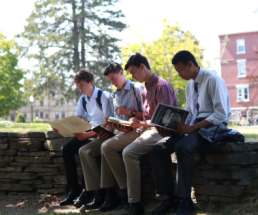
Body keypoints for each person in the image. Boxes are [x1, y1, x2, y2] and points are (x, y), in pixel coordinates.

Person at [148, 50, 231, 215]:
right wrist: (171, 125)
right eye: (177, 71)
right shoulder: (189, 86)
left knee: (182, 147)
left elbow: (221, 114)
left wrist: (193, 127)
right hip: (193, 127)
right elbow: (188, 112)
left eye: (180, 70)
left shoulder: (213, 80)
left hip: (212, 127)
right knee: (156, 149)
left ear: (190, 64)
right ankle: (170, 197)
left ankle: (185, 201)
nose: (179, 74)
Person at [101, 53, 179, 215]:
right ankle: (127, 187)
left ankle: (134, 203)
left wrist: (140, 123)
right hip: (144, 129)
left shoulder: (161, 86)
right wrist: (129, 125)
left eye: (133, 71)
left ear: (143, 67)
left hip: (160, 131)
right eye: (130, 73)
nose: (132, 75)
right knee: (107, 146)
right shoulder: (146, 90)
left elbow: (165, 122)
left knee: (129, 153)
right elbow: (145, 117)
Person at [78, 62, 144, 211]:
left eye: (114, 78)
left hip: (135, 131)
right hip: (116, 132)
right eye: (110, 81)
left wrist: (129, 113)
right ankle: (98, 193)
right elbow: (108, 123)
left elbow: (147, 115)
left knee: (106, 147)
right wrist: (103, 131)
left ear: (122, 73)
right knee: (85, 150)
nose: (113, 83)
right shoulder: (112, 96)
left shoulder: (137, 89)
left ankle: (116, 192)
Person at [55, 69, 109, 207]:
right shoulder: (83, 99)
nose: (80, 89)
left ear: (91, 82)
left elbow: (106, 123)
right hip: (90, 130)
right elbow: (75, 120)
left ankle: (88, 192)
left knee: (84, 150)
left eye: (82, 85)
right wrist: (60, 128)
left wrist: (87, 134)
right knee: (66, 149)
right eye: (78, 86)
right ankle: (75, 188)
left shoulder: (103, 96)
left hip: (102, 132)